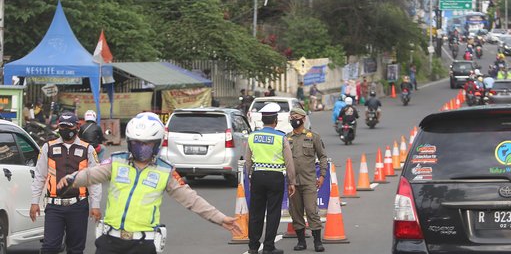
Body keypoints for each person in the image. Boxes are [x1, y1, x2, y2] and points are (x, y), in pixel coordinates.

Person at [56, 112, 241, 254]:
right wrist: (72, 179)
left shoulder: (165, 171)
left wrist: (220, 218)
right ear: (129, 143)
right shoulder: (117, 161)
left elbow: (192, 200)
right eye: (136, 143)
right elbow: (90, 175)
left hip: (143, 244)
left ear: (157, 144)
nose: (141, 149)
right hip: (109, 241)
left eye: (147, 144)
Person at [30, 112, 102, 254]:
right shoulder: (48, 147)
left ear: (77, 127)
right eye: (62, 126)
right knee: (50, 247)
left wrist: (96, 205)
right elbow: (39, 176)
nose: (66, 129)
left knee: (75, 249)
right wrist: (34, 201)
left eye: (69, 126)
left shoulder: (87, 149)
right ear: (58, 127)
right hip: (54, 206)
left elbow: (94, 180)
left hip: (78, 206)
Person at [245, 103, 296, 254]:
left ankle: (253, 246)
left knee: (256, 212)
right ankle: (268, 247)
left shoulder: (252, 136)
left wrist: (249, 179)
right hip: (275, 178)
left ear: (262, 121)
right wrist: (291, 182)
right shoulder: (281, 137)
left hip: (258, 176)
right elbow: (289, 162)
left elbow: (248, 161)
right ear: (275, 121)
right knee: (273, 212)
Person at [286, 108, 327, 252]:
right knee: (295, 212)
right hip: (292, 183)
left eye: (296, 117)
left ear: (303, 119)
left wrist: (322, 175)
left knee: (311, 211)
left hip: (309, 181)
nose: (293, 120)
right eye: (291, 117)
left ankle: (317, 241)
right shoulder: (286, 138)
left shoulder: (313, 136)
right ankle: (301, 241)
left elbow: (322, 156)